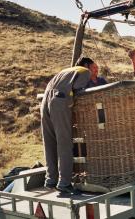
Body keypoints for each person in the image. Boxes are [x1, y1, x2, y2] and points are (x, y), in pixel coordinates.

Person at [40, 57, 91, 194]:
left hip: (45, 100)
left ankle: (50, 180)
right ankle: (64, 183)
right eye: (94, 69)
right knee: (64, 142)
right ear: (86, 65)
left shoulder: (65, 72)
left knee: (49, 141)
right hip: (59, 101)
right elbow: (82, 92)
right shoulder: (84, 71)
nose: (94, 73)